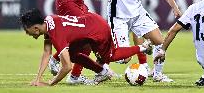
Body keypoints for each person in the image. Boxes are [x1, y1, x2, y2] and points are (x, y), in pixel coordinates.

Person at [20, 8, 152, 86]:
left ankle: (142, 47)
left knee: (110, 56)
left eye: (27, 31)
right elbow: (46, 53)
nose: (27, 34)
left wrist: (50, 83)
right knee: (72, 54)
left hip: (97, 29)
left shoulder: (56, 34)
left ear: (36, 28)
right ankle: (102, 71)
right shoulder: (48, 21)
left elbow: (67, 67)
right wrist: (38, 79)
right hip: (90, 22)